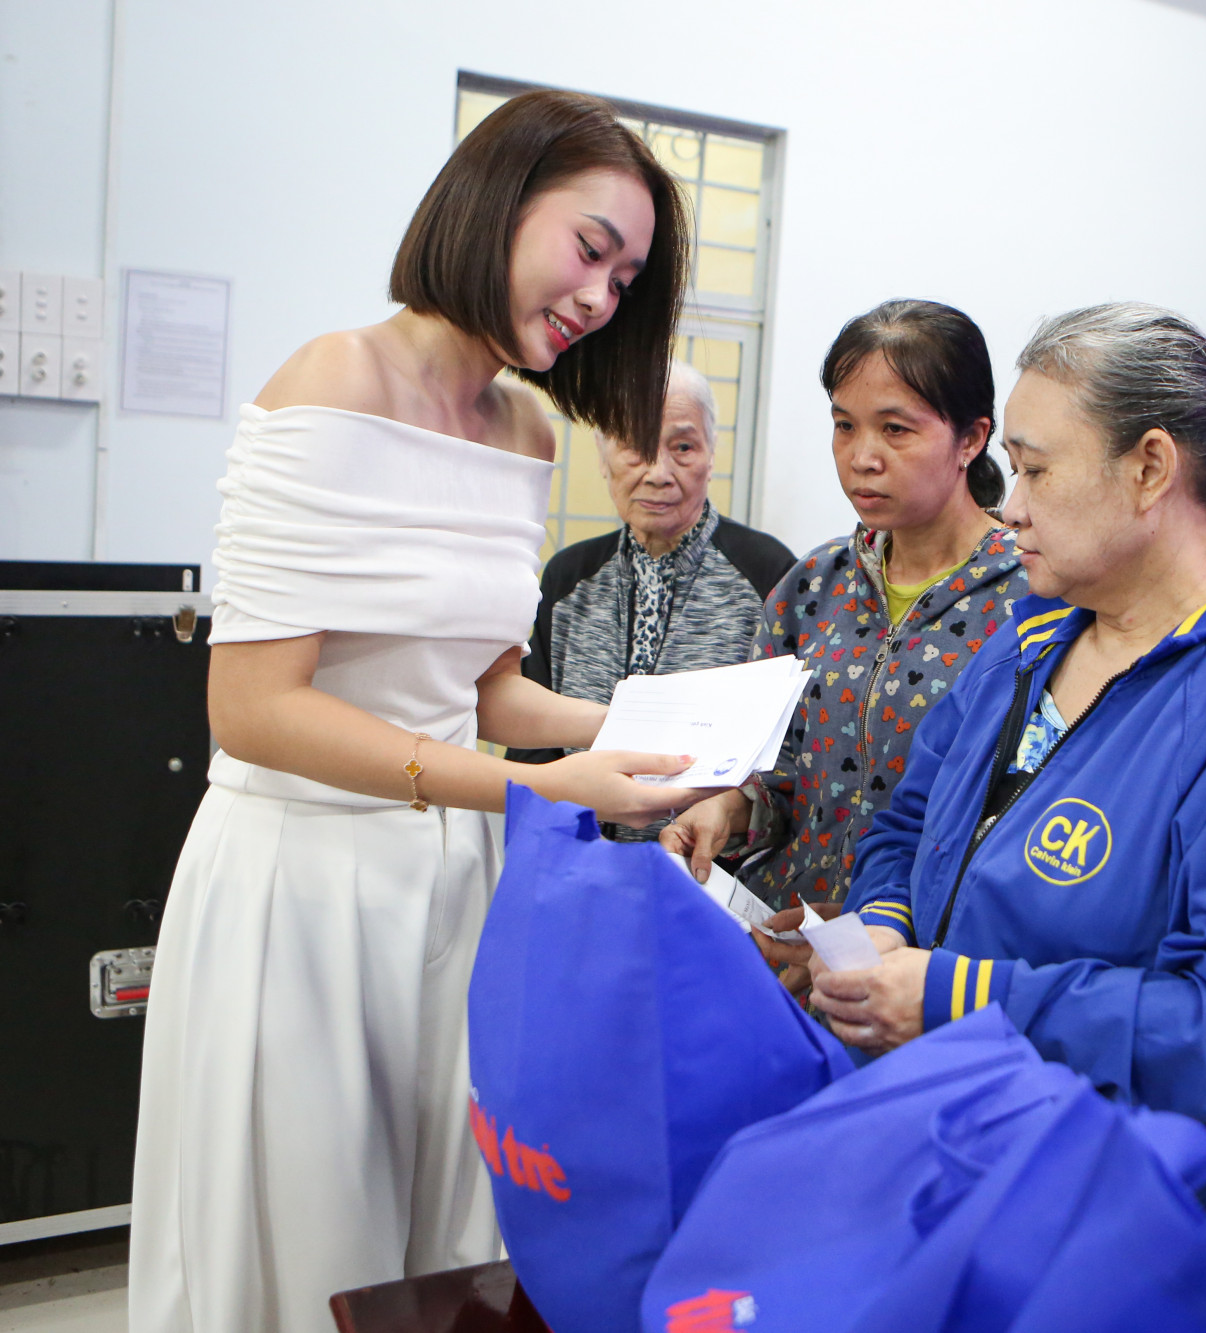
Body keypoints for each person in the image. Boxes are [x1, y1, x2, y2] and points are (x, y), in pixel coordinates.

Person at [130, 91, 710, 1333]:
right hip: (302, 880)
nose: (602, 297)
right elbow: (254, 709)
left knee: (449, 1234)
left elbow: (483, 686)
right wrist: (533, 787)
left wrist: (628, 728)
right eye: (590, 248)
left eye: (628, 276)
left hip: (452, 877)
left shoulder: (521, 428)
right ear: (498, 200)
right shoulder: (334, 378)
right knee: (312, 1235)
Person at [806, 303, 1206, 1150]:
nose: (1012, 508)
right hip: (945, 1135)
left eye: (1035, 472)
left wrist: (961, 998)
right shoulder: (1027, 642)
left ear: (1148, 469)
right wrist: (884, 922)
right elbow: (908, 823)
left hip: (1095, 1188)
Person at [665, 300, 1028, 924]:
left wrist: (887, 924)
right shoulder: (813, 586)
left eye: (896, 429)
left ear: (971, 437)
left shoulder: (1030, 600)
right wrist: (731, 805)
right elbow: (774, 766)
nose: (862, 456)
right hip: (785, 930)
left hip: (927, 956)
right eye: (844, 425)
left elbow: (1020, 808)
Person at [508, 360, 795, 839]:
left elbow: (789, 754)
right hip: (574, 866)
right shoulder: (567, 579)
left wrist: (735, 808)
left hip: (703, 873)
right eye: (634, 447)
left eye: (682, 447)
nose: (658, 472)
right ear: (603, 458)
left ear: (711, 455)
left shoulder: (770, 574)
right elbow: (531, 743)